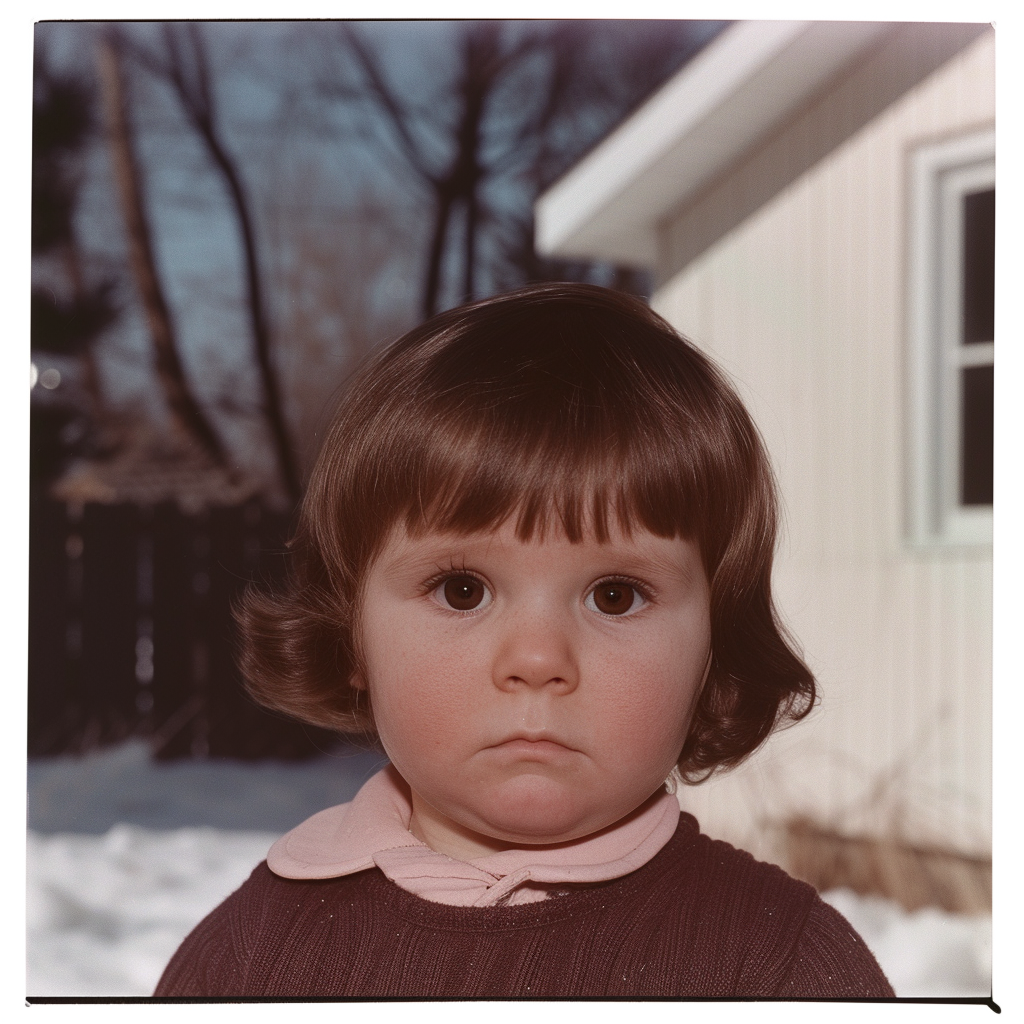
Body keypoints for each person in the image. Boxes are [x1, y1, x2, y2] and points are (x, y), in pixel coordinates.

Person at [155, 283, 894, 999]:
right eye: (462, 590)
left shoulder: (780, 970)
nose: (538, 660)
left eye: (615, 595)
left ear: (713, 652)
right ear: (351, 636)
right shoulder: (247, 962)